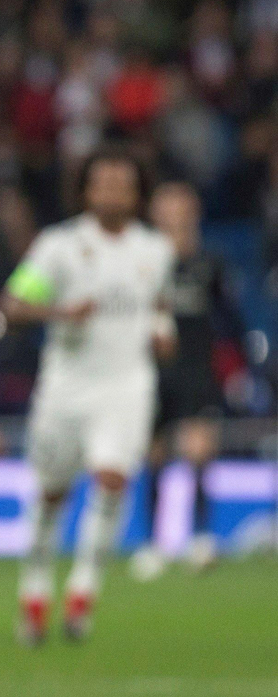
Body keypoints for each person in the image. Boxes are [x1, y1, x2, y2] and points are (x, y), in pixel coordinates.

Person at [0, 147, 175, 644]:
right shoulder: (59, 246)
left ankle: (82, 592)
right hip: (66, 388)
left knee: (113, 478)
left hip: (127, 385)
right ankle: (35, 589)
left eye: (123, 184)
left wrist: (164, 331)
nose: (114, 193)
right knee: (52, 494)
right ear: (86, 191)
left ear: (137, 193)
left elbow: (160, 304)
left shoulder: (155, 251)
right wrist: (58, 314)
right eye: (104, 184)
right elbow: (12, 304)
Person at [131, 182, 245, 579]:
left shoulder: (209, 264)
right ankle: (153, 544)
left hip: (197, 370)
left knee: (199, 452)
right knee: (155, 456)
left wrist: (237, 366)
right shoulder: (141, 264)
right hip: (154, 373)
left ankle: (200, 539)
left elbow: (231, 320)